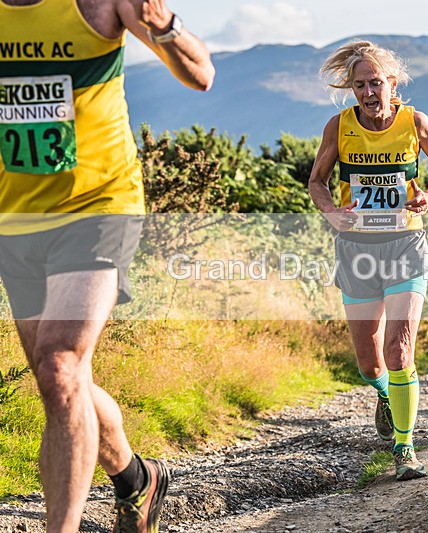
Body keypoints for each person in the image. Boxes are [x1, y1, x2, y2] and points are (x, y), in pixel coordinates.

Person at [0, 1, 214, 531]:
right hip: (15, 215)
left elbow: (201, 74)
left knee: (59, 365)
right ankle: (137, 479)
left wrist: (165, 27)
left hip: (97, 208)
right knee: (62, 382)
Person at [308, 41, 428, 480]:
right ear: (351, 89)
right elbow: (317, 181)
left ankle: (405, 448)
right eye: (360, 85)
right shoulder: (339, 127)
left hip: (405, 247)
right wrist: (333, 213)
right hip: (356, 250)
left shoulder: (416, 122)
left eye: (376, 83)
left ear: (393, 84)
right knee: (369, 363)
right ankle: (386, 394)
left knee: (398, 349)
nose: (369, 93)